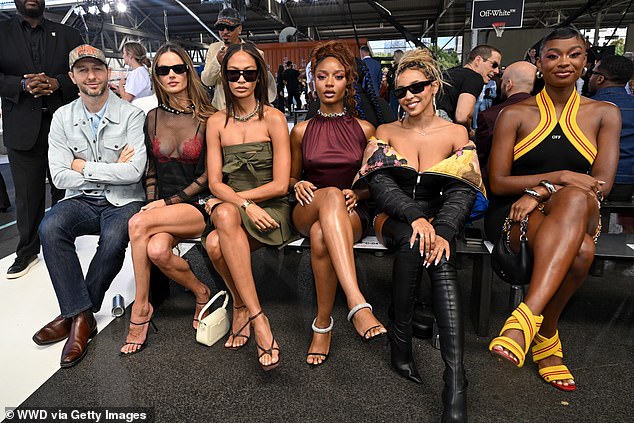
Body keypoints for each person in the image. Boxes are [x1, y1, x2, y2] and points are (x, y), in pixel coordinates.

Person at [486, 27, 621, 392]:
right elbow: (497, 182)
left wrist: (543, 188)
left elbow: (601, 184)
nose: (564, 62)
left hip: (577, 209)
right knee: (582, 251)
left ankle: (524, 316)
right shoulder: (514, 115)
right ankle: (546, 334)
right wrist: (560, 176)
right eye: (553, 55)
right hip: (517, 212)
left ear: (586, 61)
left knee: (577, 198)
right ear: (539, 62)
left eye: (574, 54)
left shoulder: (604, 114)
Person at [356, 48, 485, 422]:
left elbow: (463, 189)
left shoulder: (456, 132)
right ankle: (402, 341)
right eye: (400, 91)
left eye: (417, 87)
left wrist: (442, 229)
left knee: (436, 252)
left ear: (434, 86)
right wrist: (416, 217)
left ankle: (454, 377)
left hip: (438, 220)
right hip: (392, 218)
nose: (409, 96)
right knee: (415, 239)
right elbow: (379, 184)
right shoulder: (386, 131)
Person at [32, 45, 146, 367]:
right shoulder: (62, 117)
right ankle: (82, 315)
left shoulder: (131, 115)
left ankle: (77, 317)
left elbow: (134, 172)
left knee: (112, 240)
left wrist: (82, 166)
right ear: (72, 77)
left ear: (108, 72)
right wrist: (108, 169)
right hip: (82, 199)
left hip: (124, 200)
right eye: (82, 71)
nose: (91, 76)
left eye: (97, 69)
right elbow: (59, 176)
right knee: (50, 227)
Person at [289, 40, 386, 366]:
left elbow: (376, 184)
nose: (329, 83)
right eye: (322, 76)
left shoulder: (365, 129)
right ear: (312, 81)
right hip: (309, 204)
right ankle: (357, 301)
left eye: (337, 76)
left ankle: (322, 324)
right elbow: (288, 179)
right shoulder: (301, 131)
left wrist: (359, 194)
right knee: (328, 193)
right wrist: (299, 181)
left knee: (320, 235)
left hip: (351, 211)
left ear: (349, 82)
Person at [202, 42, 295, 371]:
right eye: (233, 73)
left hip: (271, 204)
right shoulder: (216, 122)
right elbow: (215, 183)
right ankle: (256, 316)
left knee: (216, 243)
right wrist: (242, 203)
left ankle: (243, 306)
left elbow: (282, 184)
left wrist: (248, 204)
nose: (241, 79)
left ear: (259, 77)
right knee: (220, 226)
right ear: (224, 78)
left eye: (249, 73)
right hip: (234, 203)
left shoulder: (274, 118)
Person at [120, 43, 216, 355]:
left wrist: (162, 205)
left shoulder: (208, 117)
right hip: (163, 207)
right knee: (158, 250)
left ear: (189, 71)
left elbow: (207, 178)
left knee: (137, 224)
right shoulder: (152, 117)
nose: (172, 75)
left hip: (198, 205)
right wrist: (153, 201)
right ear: (156, 76)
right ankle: (201, 291)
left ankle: (141, 308)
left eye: (178, 68)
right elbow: (151, 170)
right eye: (164, 70)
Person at [0, 0, 83, 278]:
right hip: (22, 129)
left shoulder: (68, 35)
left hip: (65, 129)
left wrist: (59, 82)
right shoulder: (2, 33)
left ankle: (63, 243)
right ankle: (27, 251)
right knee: (26, 194)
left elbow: (85, 73)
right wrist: (22, 85)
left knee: (66, 189)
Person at [588, 54, 634, 232]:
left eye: (592, 73)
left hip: (593, 182)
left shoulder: (588, 107)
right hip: (628, 183)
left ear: (600, 78)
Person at [201, 7, 275, 111]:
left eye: (230, 28)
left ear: (239, 29)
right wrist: (217, 62)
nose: (225, 32)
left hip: (247, 111)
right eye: (221, 28)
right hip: (220, 110)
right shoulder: (214, 49)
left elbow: (264, 85)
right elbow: (207, 81)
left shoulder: (255, 53)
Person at [475, 61, 536, 180]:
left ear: (509, 84)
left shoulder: (490, 115)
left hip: (498, 187)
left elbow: (480, 158)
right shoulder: (550, 113)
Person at [435, 45, 502, 134]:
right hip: (441, 123)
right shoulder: (474, 77)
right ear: (478, 60)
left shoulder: (451, 72)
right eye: (494, 65)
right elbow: (462, 117)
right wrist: (470, 131)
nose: (497, 71)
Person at [386, 49, 404, 116]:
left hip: (394, 89)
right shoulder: (404, 67)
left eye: (394, 56)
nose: (393, 58)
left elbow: (390, 78)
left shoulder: (395, 68)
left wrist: (391, 69)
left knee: (394, 109)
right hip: (402, 90)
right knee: (401, 108)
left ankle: (395, 123)